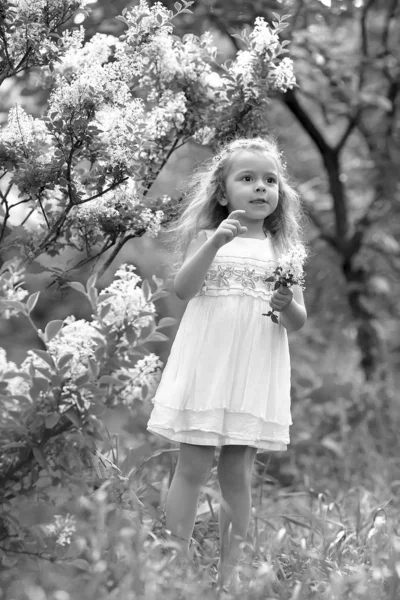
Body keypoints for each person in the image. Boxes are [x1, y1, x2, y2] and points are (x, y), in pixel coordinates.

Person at [147, 136, 308, 587]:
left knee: (237, 470)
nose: (261, 187)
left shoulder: (284, 252)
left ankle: (230, 575)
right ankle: (173, 567)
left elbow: (296, 320)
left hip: (254, 368)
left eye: (270, 180)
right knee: (193, 466)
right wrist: (215, 242)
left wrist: (284, 302)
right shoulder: (207, 237)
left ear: (280, 194)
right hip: (209, 364)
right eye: (248, 178)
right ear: (222, 193)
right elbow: (183, 289)